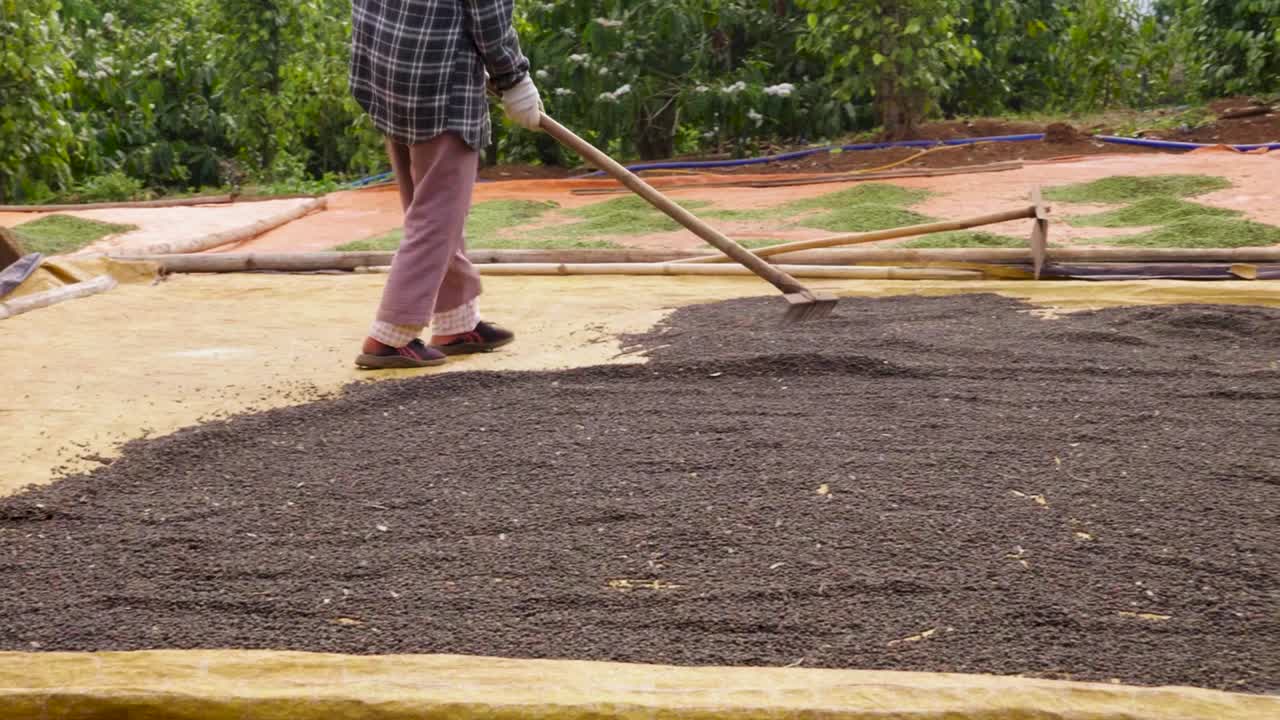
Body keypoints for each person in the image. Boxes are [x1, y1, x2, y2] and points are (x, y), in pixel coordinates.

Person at [349, 0, 542, 369]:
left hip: (388, 59)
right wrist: (514, 78)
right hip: (437, 75)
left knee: (429, 202)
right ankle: (390, 335)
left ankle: (457, 321)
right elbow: (487, 12)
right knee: (439, 211)